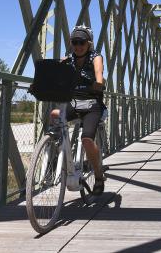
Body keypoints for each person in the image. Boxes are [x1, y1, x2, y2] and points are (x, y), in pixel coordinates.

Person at [50, 25, 107, 195]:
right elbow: (54, 72)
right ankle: (55, 150)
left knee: (87, 139)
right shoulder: (68, 59)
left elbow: (99, 75)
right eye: (75, 42)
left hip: (92, 104)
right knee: (54, 115)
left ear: (89, 43)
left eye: (82, 42)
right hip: (74, 102)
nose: (78, 46)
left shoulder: (95, 57)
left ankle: (98, 175)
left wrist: (97, 83)